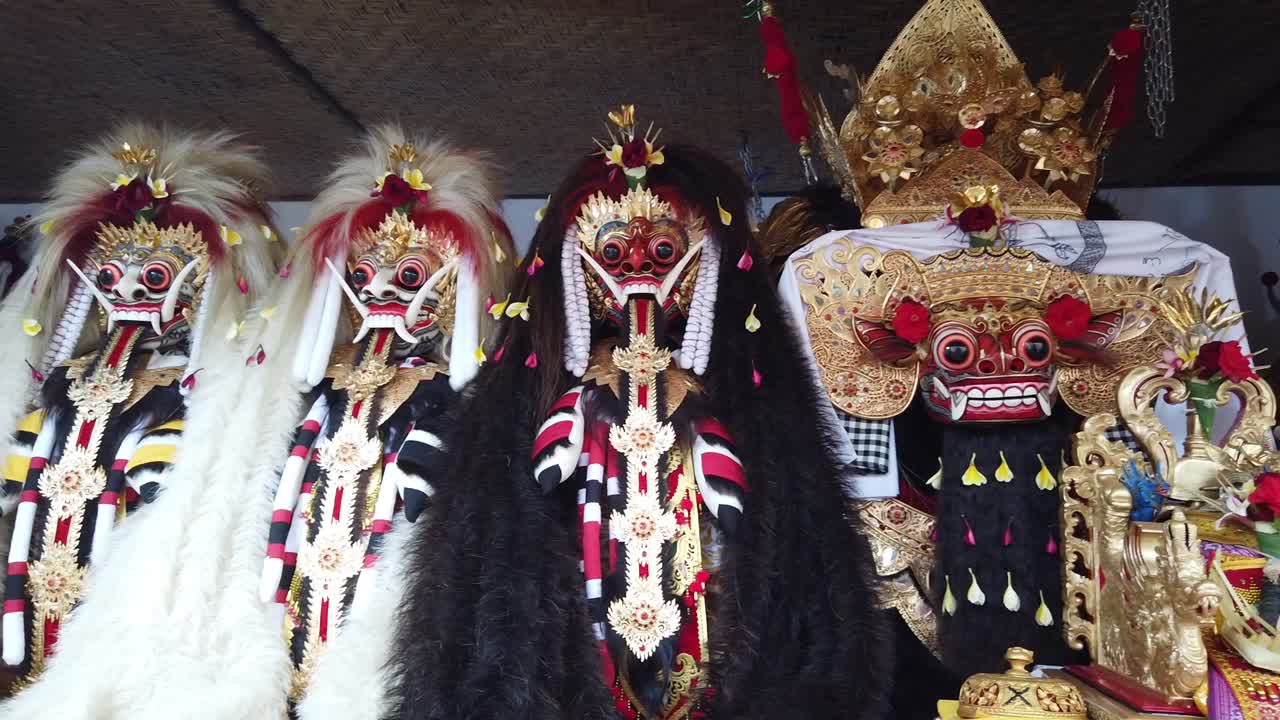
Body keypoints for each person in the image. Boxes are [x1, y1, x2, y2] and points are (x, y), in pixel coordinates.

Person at [385, 106, 890, 720]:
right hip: (586, 593)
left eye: (662, 249)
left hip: (705, 596)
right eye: (615, 251)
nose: (639, 267)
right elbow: (540, 470)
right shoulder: (562, 382)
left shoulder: (733, 386)